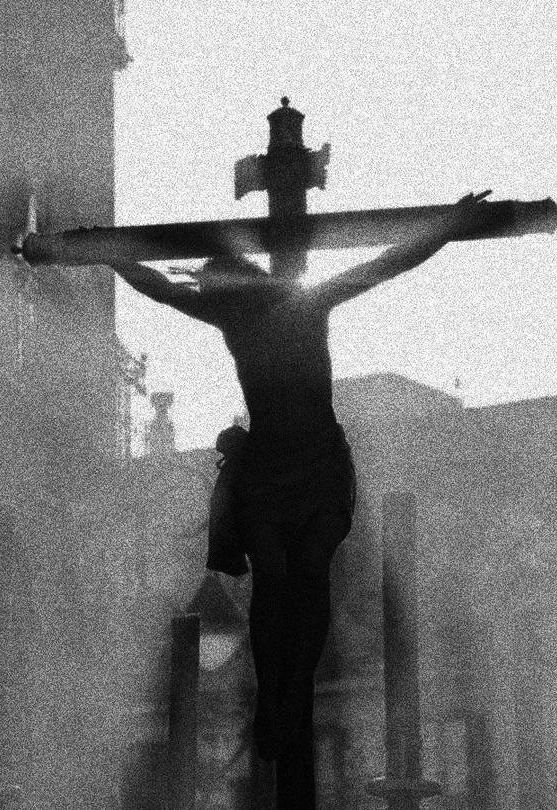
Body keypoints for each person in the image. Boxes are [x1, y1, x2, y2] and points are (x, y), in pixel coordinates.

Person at [107, 190, 492, 759]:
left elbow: (161, 287)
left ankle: (283, 698)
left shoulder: (251, 312)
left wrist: (113, 256)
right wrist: (448, 224)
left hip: (295, 464)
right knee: (297, 577)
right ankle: (282, 698)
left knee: (287, 579)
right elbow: (387, 263)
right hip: (298, 463)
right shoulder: (288, 306)